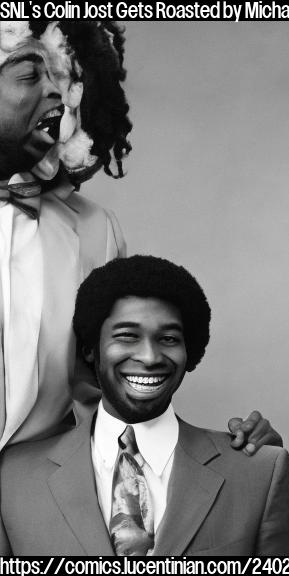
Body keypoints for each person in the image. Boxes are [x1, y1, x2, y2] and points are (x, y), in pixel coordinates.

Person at [0, 20, 275, 452]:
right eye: (31, 75)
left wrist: (229, 454)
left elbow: (106, 391)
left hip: (37, 500)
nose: (56, 92)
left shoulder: (94, 229)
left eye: (62, 77)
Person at [0, 255, 289, 568]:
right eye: (127, 336)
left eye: (168, 338)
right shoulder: (11, 477)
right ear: (91, 347)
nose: (149, 356)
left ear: (190, 350)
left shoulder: (260, 472)